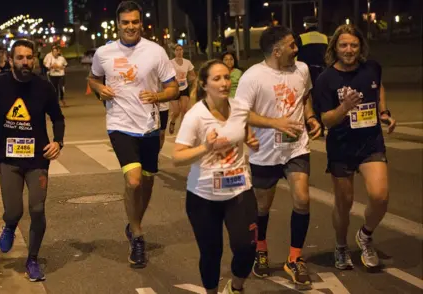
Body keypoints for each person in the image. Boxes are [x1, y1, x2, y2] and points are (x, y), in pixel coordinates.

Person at [87, 0, 179, 269]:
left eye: (135, 22)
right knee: (134, 181)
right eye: (125, 22)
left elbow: (173, 88)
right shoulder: (104, 53)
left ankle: (134, 224)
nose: (130, 27)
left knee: (148, 182)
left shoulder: (156, 52)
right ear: (118, 24)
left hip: (149, 126)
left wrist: (159, 95)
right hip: (119, 124)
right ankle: (138, 235)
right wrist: (98, 89)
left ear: (141, 23)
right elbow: (93, 79)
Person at [0, 39, 65, 282]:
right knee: (14, 210)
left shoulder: (44, 87)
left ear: (34, 59)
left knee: (37, 208)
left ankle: (32, 259)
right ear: (11, 60)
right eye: (20, 57)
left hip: (37, 159)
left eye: (29, 57)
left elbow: (57, 118)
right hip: (8, 159)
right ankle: (10, 225)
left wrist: (58, 142)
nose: (25, 62)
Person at [235, 26, 321, 286]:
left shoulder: (302, 70)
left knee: (302, 199)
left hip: (296, 148)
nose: (297, 49)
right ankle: (260, 249)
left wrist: (310, 117)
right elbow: (241, 113)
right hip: (265, 153)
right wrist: (275, 123)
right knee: (262, 207)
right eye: (292, 45)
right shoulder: (253, 77)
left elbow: (305, 96)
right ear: (276, 50)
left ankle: (294, 258)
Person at [173, 59, 259, 294]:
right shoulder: (195, 116)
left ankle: (236, 287)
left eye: (226, 77)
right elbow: (177, 156)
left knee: (247, 247)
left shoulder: (239, 107)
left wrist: (251, 139)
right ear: (204, 84)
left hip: (239, 189)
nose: (224, 83)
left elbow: (244, 126)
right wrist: (205, 148)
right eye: (217, 79)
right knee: (211, 252)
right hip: (203, 196)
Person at [314, 24, 396, 271]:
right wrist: (344, 108)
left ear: (361, 47)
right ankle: (340, 246)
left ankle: (366, 235)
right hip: (341, 146)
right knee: (344, 203)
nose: (349, 50)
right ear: (335, 48)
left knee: (380, 196)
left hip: (370, 142)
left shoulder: (372, 68)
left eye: (354, 45)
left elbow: (378, 86)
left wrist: (383, 111)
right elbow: (326, 119)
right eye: (343, 45)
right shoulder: (325, 79)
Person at [296, 16, 329, 136]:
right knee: (320, 97)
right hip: (322, 70)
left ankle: (310, 125)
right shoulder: (324, 37)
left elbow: (296, 55)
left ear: (306, 25)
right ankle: (321, 124)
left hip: (307, 70)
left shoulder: (301, 38)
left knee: (307, 97)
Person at [168, 44, 196, 135]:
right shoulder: (170, 63)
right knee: (176, 111)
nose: (179, 52)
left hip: (184, 88)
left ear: (183, 51)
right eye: (177, 50)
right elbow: (166, 75)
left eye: (181, 50)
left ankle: (182, 131)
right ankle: (172, 121)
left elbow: (193, 75)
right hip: (174, 88)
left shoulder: (187, 62)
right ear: (174, 52)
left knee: (184, 110)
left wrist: (191, 79)